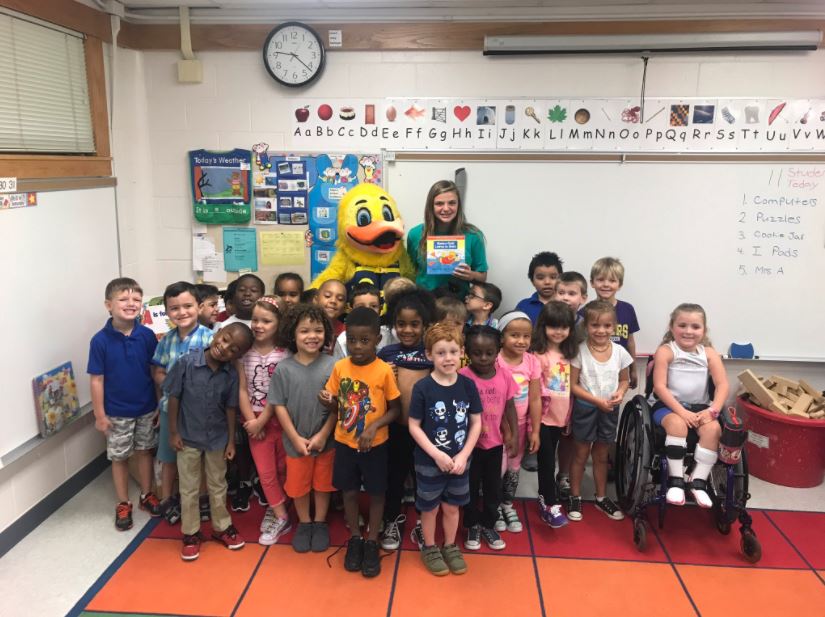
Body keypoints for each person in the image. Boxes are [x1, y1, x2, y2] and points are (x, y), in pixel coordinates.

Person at [322, 307, 401, 578]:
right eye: (353, 340)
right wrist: (329, 403)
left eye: (364, 340)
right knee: (350, 492)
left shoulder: (383, 371)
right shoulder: (339, 367)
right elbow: (337, 408)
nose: (358, 346)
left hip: (376, 445)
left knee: (377, 492)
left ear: (378, 340)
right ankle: (355, 538)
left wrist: (374, 426)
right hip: (344, 443)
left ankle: (372, 541)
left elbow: (395, 409)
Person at [164, 322, 254, 561]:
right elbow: (174, 398)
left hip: (217, 439)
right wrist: (173, 432)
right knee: (189, 487)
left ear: (239, 356)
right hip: (188, 437)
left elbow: (231, 408)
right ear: (217, 334)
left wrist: (232, 441)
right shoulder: (186, 363)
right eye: (224, 339)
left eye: (233, 349)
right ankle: (191, 533)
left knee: (218, 484)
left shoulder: (231, 375)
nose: (224, 348)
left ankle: (222, 527)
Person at [408, 323, 481, 576]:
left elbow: (476, 422)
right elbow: (414, 426)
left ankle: (449, 545)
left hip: (461, 462)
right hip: (429, 462)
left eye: (452, 351)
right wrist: (437, 454)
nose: (448, 358)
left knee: (452, 507)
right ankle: (429, 546)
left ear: (462, 351)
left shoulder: (468, 385)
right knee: (429, 507)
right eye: (441, 353)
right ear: (429, 355)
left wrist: (463, 455)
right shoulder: (423, 388)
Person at [88, 277, 161, 531]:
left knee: (144, 451)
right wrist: (99, 414)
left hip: (146, 408)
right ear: (109, 305)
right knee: (119, 458)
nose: (131, 303)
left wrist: (160, 404)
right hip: (116, 412)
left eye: (136, 299)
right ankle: (123, 502)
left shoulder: (148, 335)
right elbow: (97, 380)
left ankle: (147, 494)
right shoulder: (100, 341)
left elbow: (155, 372)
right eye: (123, 299)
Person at [270, 303, 337, 553]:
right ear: (293, 334)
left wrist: (322, 434)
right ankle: (305, 523)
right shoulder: (284, 369)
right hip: (295, 443)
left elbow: (336, 408)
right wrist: (295, 438)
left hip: (325, 442)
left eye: (318, 330)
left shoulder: (333, 366)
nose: (312, 336)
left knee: (322, 484)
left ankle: (319, 522)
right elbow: (279, 406)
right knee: (299, 486)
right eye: (305, 331)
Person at [651, 303, 728, 508]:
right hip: (667, 406)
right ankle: (676, 481)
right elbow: (659, 387)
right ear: (672, 326)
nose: (688, 331)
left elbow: (722, 385)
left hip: (700, 407)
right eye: (682, 325)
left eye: (695, 327)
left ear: (704, 330)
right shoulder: (666, 350)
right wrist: (682, 412)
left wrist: (713, 411)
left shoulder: (709, 353)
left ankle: (698, 482)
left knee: (713, 430)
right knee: (677, 424)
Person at [376, 288, 437, 550]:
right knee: (394, 477)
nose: (408, 330)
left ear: (425, 325)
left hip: (427, 431)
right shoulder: (387, 354)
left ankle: (426, 524)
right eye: (401, 324)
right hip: (396, 430)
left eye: (414, 324)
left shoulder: (433, 353)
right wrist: (383, 373)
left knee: (426, 480)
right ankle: (392, 519)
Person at [152, 281, 214, 524]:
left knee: (199, 457)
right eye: (174, 308)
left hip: (200, 413)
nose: (182, 312)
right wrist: (170, 384)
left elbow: (215, 374)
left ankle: (203, 497)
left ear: (199, 307)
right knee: (169, 457)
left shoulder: (210, 338)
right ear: (167, 312)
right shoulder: (167, 340)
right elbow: (157, 371)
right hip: (171, 410)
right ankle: (167, 498)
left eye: (187, 306)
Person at [568, 300, 632, 522]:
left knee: (602, 455)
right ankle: (574, 496)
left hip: (610, 409)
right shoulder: (580, 351)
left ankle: (601, 496)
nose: (601, 330)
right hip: (586, 409)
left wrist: (621, 392)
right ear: (586, 327)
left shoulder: (620, 352)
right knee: (580, 454)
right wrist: (596, 401)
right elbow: (573, 385)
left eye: (606, 326)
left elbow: (625, 380)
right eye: (595, 325)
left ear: (614, 327)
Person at [237, 297, 291, 545]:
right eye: (255, 320)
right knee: (265, 472)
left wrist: (263, 420)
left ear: (278, 324)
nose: (258, 325)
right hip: (253, 422)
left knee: (283, 469)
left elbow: (280, 394)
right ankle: (281, 516)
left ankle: (279, 503)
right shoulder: (243, 352)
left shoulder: (286, 354)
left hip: (280, 419)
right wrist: (252, 421)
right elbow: (242, 390)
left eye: (266, 321)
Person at [460, 326, 517, 551]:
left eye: (489, 353)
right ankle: (472, 524)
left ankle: (489, 524)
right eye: (476, 353)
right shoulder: (462, 377)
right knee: (469, 487)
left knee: (493, 488)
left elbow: (510, 406)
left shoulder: (505, 376)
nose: (483, 358)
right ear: (467, 352)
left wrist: (513, 434)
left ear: (498, 351)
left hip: (495, 444)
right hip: (468, 446)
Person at [531, 301, 579, 528]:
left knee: (554, 460)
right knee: (547, 462)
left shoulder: (571, 354)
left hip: (561, 417)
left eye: (563, 327)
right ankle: (549, 503)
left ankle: (546, 498)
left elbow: (570, 391)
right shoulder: (538, 355)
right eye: (553, 327)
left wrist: (568, 418)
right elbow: (536, 392)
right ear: (543, 327)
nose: (558, 332)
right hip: (542, 419)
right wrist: (535, 425)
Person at [495, 311, 542, 533]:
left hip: (522, 425)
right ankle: (493, 505)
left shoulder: (532, 362)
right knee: (497, 467)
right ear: (502, 336)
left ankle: (507, 504)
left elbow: (534, 398)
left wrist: (535, 431)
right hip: (495, 426)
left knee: (514, 467)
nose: (521, 341)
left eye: (526, 336)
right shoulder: (494, 359)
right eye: (514, 335)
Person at [406, 180, 487, 298]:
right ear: (431, 206)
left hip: (457, 306)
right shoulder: (415, 234)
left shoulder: (473, 235)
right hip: (424, 303)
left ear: (458, 205)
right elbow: (410, 273)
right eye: (439, 204)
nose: (446, 208)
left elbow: (482, 276)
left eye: (452, 203)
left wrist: (471, 275)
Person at [552, 271, 588, 497]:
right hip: (553, 385)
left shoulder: (586, 324)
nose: (566, 297)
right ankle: (546, 472)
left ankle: (563, 474)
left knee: (570, 434)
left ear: (583, 298)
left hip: (579, 385)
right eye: (561, 292)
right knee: (551, 430)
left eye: (572, 293)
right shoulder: (549, 318)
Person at [590, 257, 639, 389]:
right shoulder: (585, 312)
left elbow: (630, 342)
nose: (606, 285)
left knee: (613, 405)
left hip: (618, 372)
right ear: (592, 282)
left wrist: (633, 369)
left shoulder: (628, 309)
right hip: (592, 374)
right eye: (600, 280)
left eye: (612, 280)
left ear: (620, 284)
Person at [333, 283, 393, 359]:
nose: (367, 311)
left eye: (373, 306)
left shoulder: (388, 336)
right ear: (351, 310)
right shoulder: (343, 340)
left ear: (380, 309)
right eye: (361, 307)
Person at [515, 252, 564, 325]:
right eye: (540, 278)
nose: (547, 282)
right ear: (532, 281)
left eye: (553, 277)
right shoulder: (523, 306)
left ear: (560, 279)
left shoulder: (565, 304)